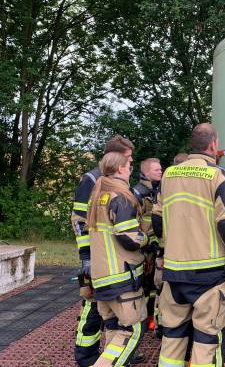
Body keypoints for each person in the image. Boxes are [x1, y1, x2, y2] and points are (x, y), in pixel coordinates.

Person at [153, 123, 225, 367]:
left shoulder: (168, 175)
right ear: (214, 144)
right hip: (209, 276)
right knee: (207, 341)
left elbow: (157, 220)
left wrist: (166, 248)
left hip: (173, 272)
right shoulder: (218, 175)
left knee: (172, 339)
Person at [71, 135, 136, 367]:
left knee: (112, 313)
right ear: (114, 158)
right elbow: (79, 221)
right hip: (96, 259)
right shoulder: (91, 179)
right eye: (128, 158)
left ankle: (113, 353)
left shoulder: (114, 180)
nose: (131, 163)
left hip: (112, 259)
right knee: (92, 307)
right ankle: (86, 355)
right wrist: (86, 258)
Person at [87, 152, 149, 366]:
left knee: (114, 330)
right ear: (121, 168)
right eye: (129, 165)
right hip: (121, 278)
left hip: (101, 278)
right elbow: (129, 237)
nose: (131, 169)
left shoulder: (98, 195)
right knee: (133, 330)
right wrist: (146, 239)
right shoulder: (120, 196)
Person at [132, 158, 163, 332]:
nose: (161, 172)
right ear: (146, 172)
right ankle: (140, 321)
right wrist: (145, 244)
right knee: (143, 285)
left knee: (153, 285)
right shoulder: (138, 193)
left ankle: (151, 318)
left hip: (154, 246)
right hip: (143, 248)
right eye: (157, 170)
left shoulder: (157, 191)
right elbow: (133, 225)